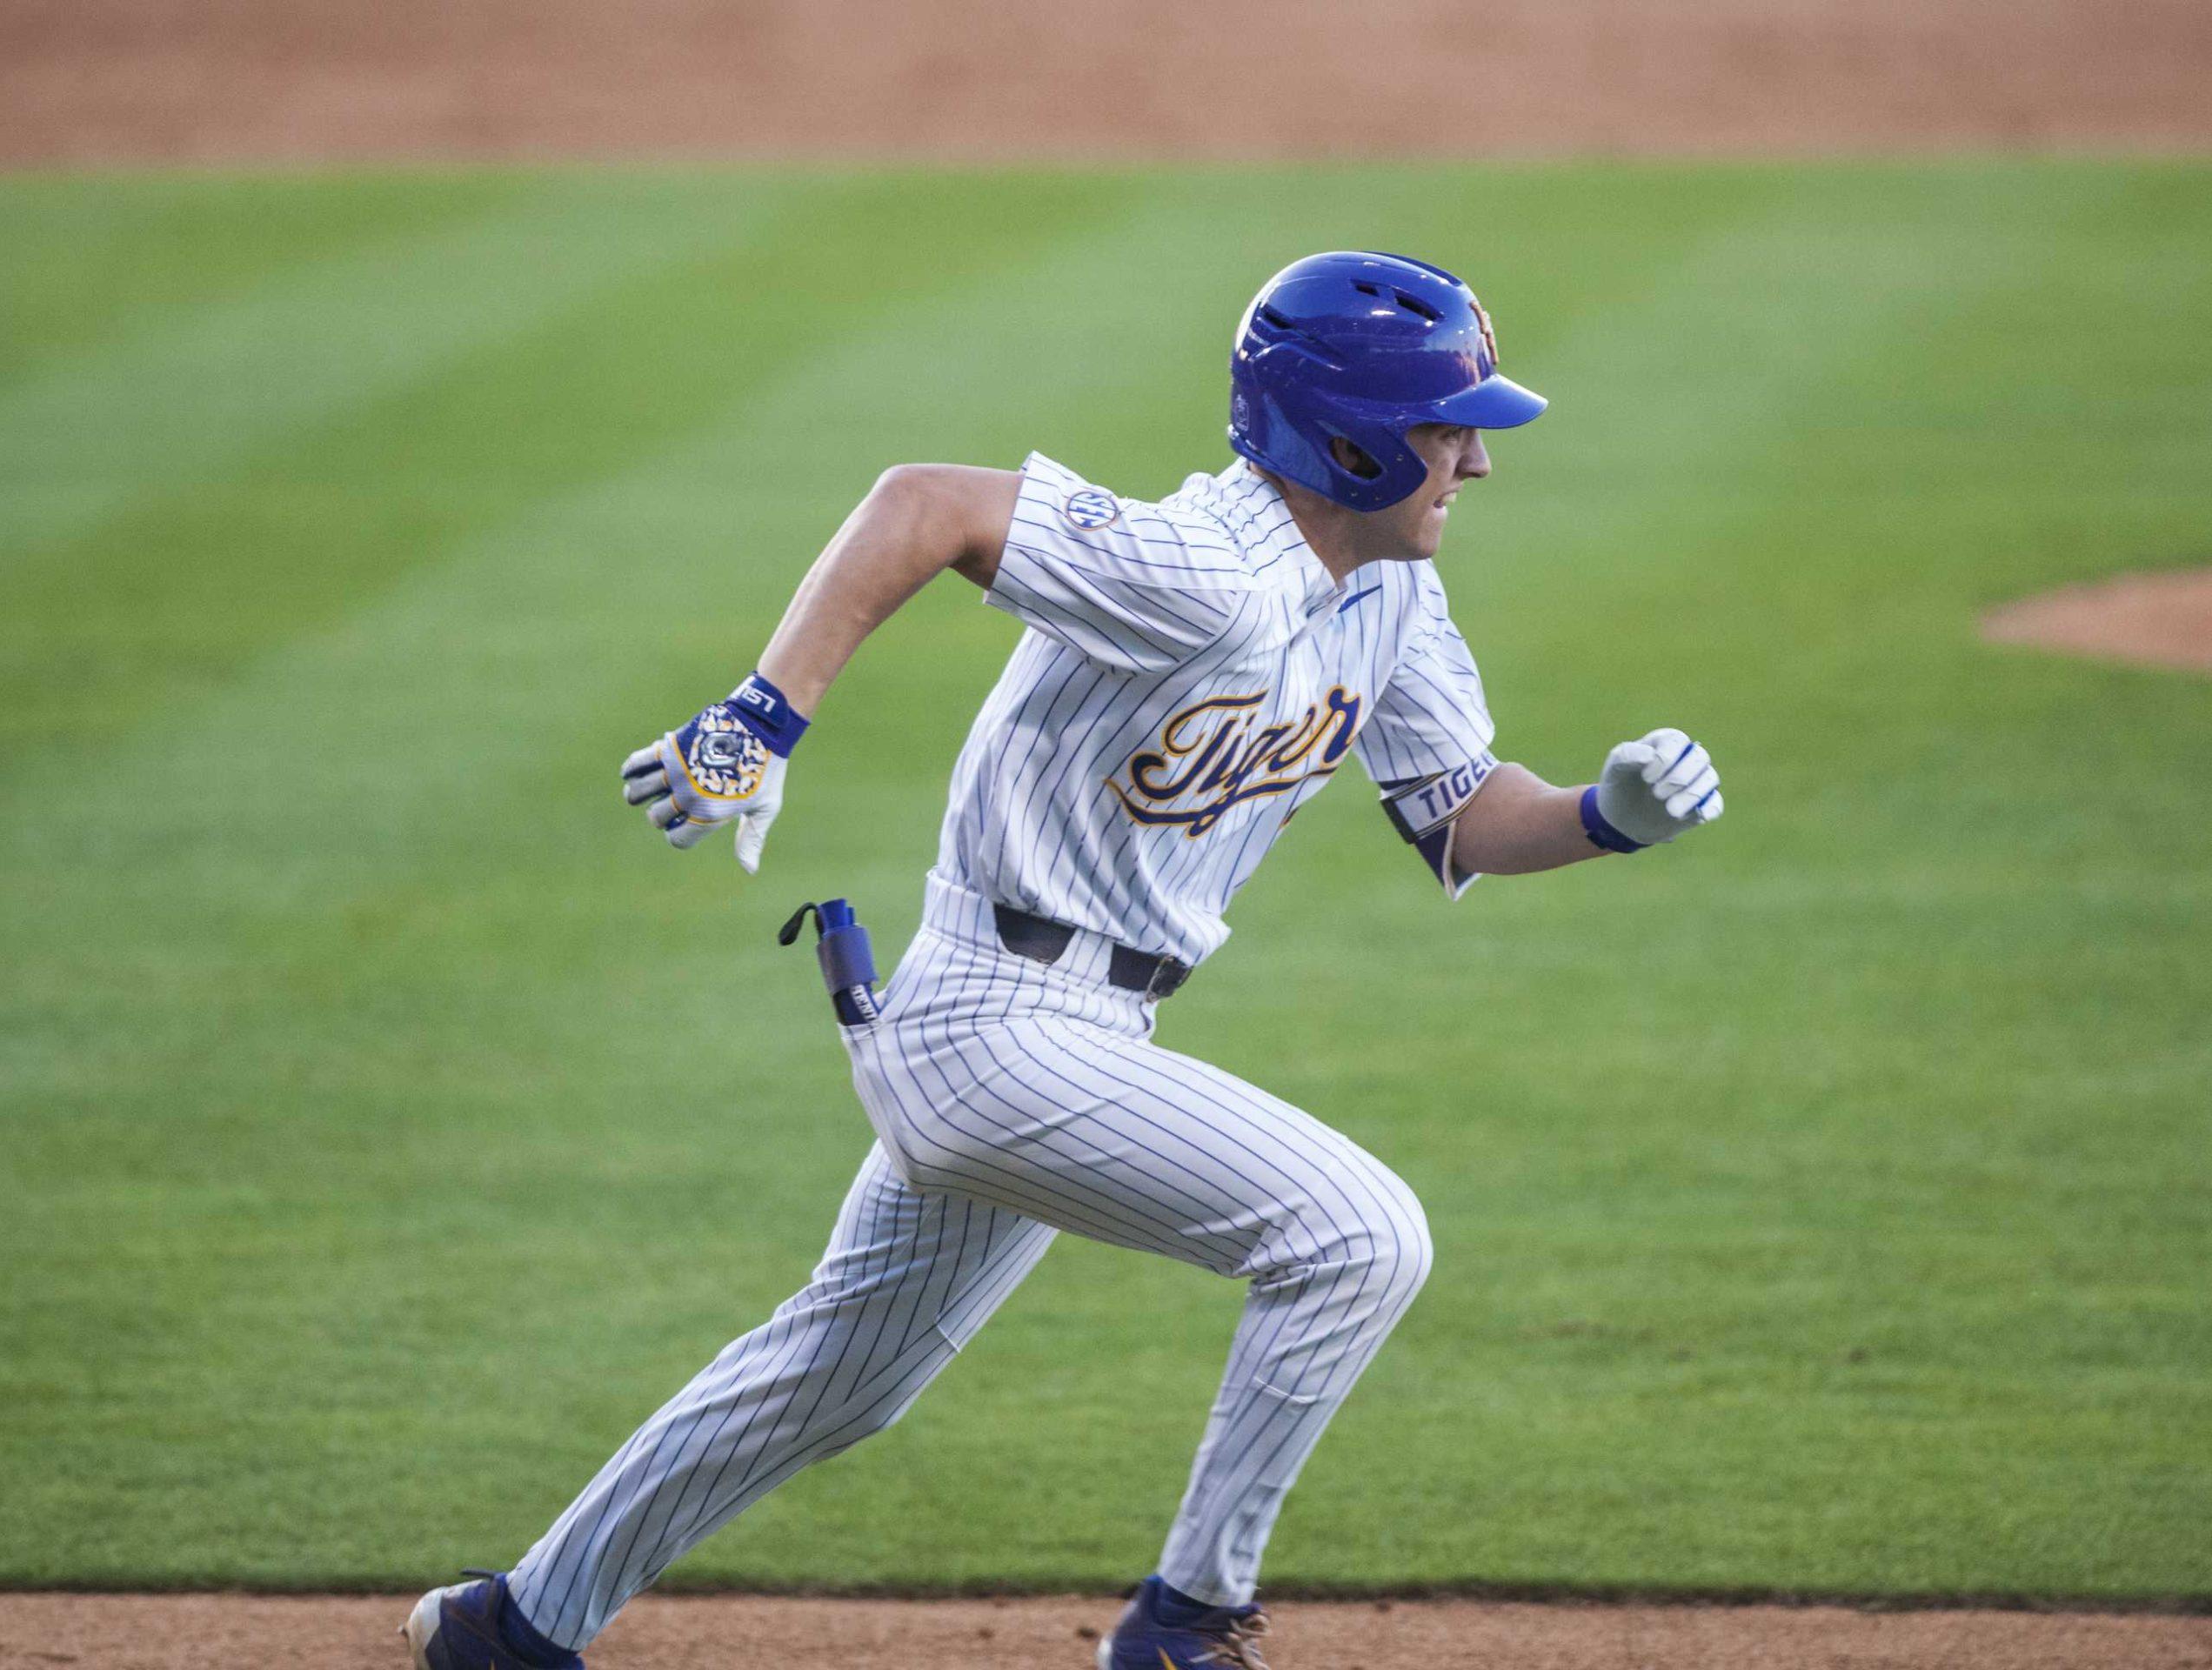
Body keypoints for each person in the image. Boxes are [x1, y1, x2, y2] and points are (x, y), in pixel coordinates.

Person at [403, 250, 1724, 1670]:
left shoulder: (1388, 599)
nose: (1475, 461)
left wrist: (1606, 819)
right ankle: (1186, 1627)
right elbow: (925, 504)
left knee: (840, 1376)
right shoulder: (1206, 571)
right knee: (1358, 1236)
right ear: (1346, 439)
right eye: (1446, 427)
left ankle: (514, 1625)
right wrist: (758, 722)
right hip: (994, 1028)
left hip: (1072, 1039)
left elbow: (1466, 815)